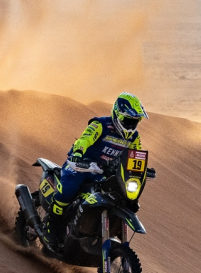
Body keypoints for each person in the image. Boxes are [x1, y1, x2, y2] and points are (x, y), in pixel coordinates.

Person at [42, 92, 148, 247]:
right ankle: (50, 227)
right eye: (128, 120)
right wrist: (78, 153)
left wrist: (143, 169)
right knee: (68, 189)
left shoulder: (134, 137)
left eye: (135, 121)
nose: (132, 125)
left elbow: (135, 157)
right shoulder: (100, 125)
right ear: (118, 115)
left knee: (120, 196)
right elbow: (84, 140)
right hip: (80, 166)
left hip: (103, 173)